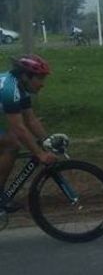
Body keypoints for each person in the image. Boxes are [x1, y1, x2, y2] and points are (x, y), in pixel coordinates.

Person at [0, 55, 58, 211]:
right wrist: (39, 154)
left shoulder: (20, 89)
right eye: (39, 78)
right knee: (11, 143)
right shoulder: (10, 90)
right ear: (26, 76)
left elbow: (31, 121)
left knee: (10, 139)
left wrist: (47, 141)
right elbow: (19, 128)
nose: (42, 84)